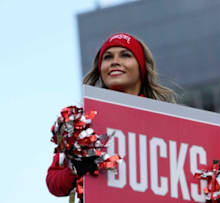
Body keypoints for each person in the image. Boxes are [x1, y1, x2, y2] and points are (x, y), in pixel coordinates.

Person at [46, 32, 176, 198]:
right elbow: (54, 182)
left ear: (141, 68)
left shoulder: (166, 121)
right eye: (108, 57)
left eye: (125, 55)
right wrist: (76, 168)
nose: (115, 62)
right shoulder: (81, 124)